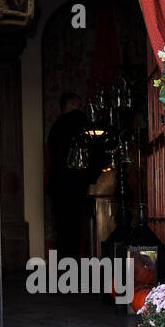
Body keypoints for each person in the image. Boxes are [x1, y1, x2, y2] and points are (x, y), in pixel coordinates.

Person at [46, 92, 97, 259]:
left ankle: (63, 270)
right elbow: (92, 146)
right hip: (74, 184)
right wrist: (93, 176)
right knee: (75, 230)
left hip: (57, 186)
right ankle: (72, 271)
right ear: (73, 104)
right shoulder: (77, 119)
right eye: (79, 105)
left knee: (62, 230)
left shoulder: (55, 127)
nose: (81, 109)